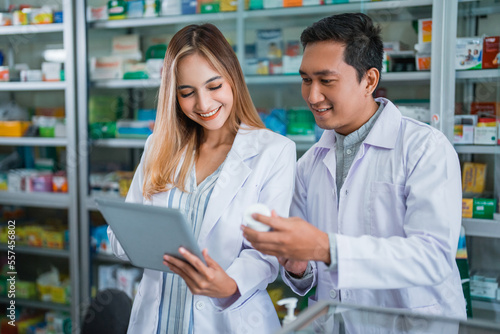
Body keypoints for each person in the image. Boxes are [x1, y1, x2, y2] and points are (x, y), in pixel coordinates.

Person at [242, 12, 466, 322]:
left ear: (369, 80)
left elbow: (433, 258)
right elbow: (311, 276)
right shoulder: (309, 165)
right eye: (306, 80)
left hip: (408, 326)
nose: (312, 95)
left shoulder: (424, 149)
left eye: (326, 81)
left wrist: (327, 248)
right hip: (332, 324)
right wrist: (299, 266)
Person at [108, 23, 296, 333]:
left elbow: (267, 254)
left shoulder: (274, 151)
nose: (204, 104)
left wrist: (228, 284)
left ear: (232, 77)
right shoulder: (159, 144)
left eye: (214, 86)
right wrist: (139, 238)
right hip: (158, 323)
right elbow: (121, 238)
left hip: (229, 320)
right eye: (187, 93)